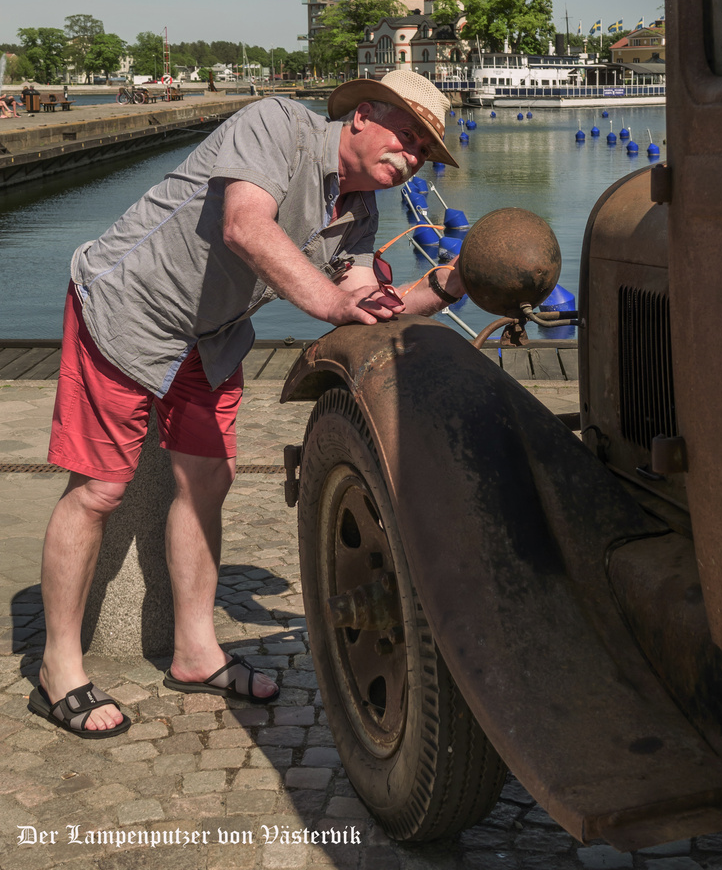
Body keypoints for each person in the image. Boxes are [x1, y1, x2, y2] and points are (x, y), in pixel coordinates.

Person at [31, 68, 465, 737]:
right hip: (127, 307)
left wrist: (453, 281)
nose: (410, 158)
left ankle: (195, 652)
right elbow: (244, 225)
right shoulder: (277, 125)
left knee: (210, 478)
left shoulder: (360, 215)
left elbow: (367, 307)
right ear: (361, 116)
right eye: (405, 136)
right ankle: (59, 668)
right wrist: (329, 299)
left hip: (211, 335)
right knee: (99, 491)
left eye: (422, 153)